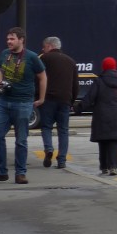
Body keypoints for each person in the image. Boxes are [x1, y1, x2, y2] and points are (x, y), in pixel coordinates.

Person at [0, 26, 47, 185]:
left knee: (21, 140)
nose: (8, 41)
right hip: (3, 101)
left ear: (21, 40)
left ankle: (20, 173)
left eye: (12, 39)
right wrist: (0, 81)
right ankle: (0, 172)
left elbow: (42, 77)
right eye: (7, 39)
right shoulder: (5, 54)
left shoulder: (32, 57)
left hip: (23, 102)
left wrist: (41, 98)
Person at [76, 56, 117, 176]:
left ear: (104, 67)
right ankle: (113, 167)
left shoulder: (99, 81)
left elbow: (90, 98)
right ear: (114, 67)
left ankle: (104, 167)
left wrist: (78, 108)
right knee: (114, 142)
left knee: (103, 141)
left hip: (102, 114)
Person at [39, 36, 78, 169]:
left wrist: (38, 97)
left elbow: (37, 79)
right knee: (63, 131)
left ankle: (49, 149)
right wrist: (71, 101)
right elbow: (75, 85)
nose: (43, 50)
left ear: (49, 46)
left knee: (46, 127)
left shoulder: (44, 59)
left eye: (44, 47)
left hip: (48, 99)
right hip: (65, 100)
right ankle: (62, 160)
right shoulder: (71, 61)